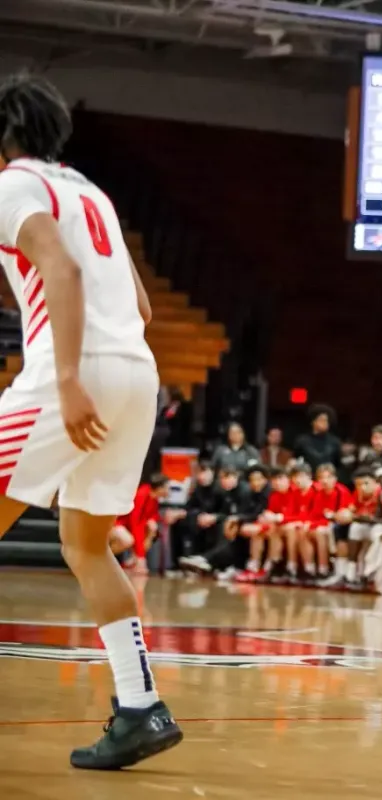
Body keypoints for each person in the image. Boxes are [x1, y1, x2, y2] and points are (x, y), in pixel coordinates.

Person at [0, 73, 181, 767]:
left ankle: (140, 707)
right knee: (86, 543)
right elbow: (142, 306)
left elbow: (63, 272)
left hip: (73, 374)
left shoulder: (16, 184)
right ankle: (139, 707)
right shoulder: (89, 190)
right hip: (137, 373)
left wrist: (70, 377)